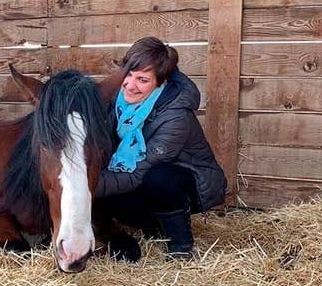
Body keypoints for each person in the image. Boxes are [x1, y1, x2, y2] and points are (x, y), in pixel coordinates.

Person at [95, 37, 226, 259]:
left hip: (190, 181)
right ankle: (154, 227)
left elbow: (138, 172)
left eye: (142, 80)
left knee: (159, 178)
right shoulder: (117, 101)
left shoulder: (175, 115)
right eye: (128, 74)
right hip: (142, 177)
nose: (130, 85)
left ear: (160, 82)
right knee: (111, 197)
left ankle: (180, 245)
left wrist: (84, 186)